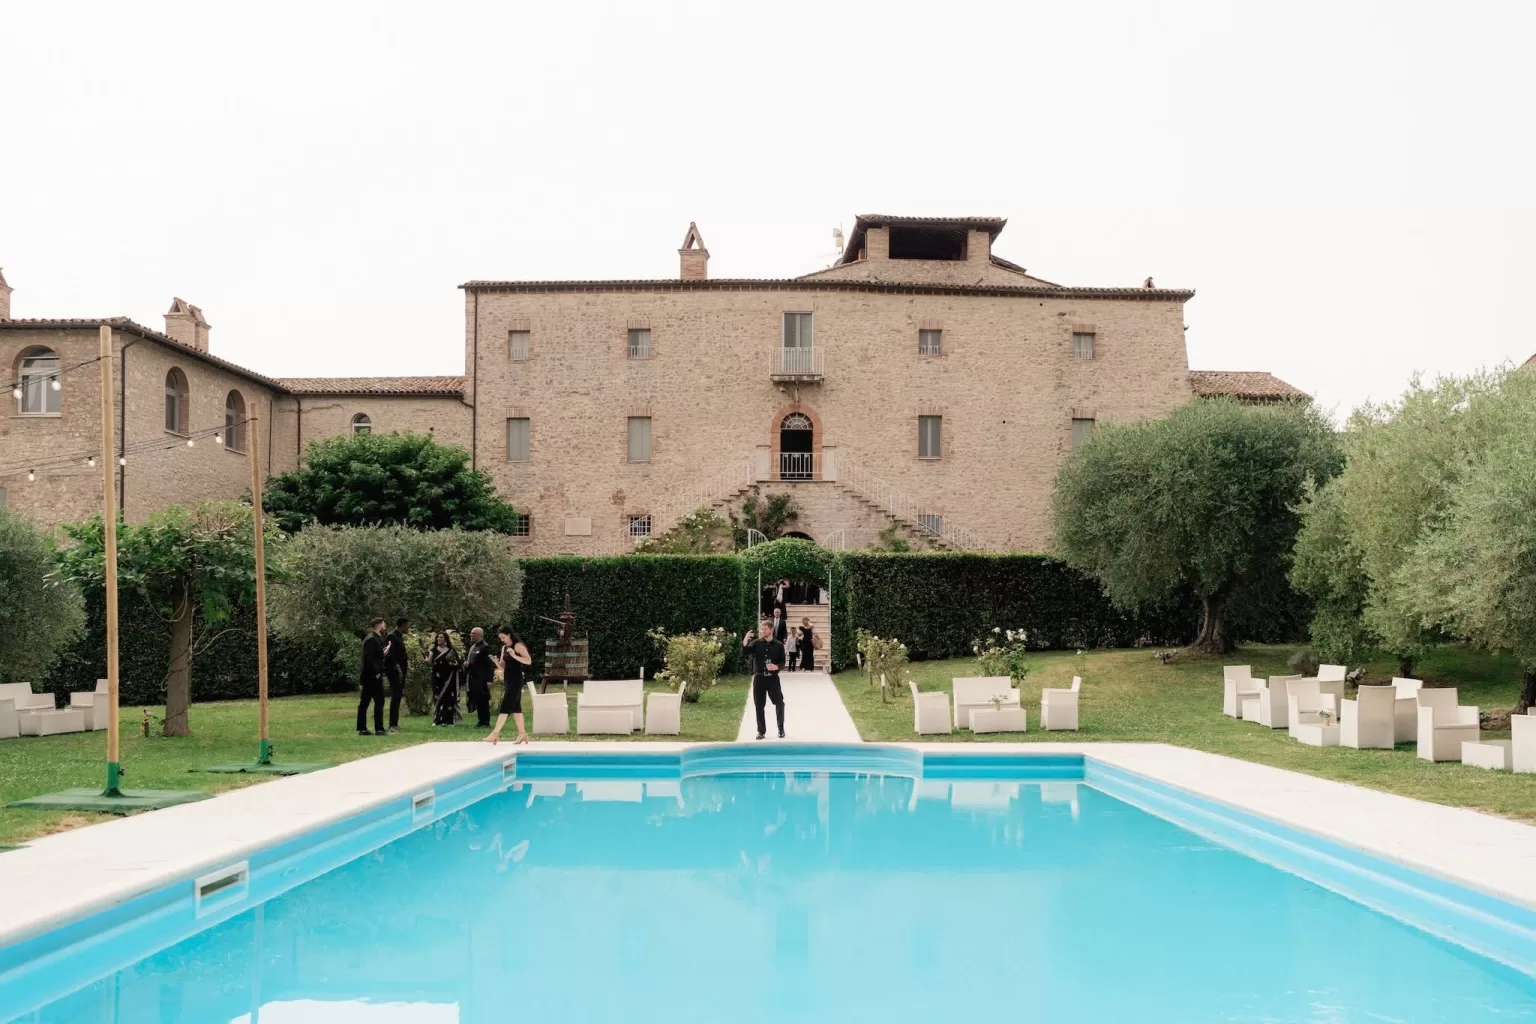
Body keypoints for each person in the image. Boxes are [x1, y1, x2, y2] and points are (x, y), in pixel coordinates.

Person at [485, 626, 532, 745]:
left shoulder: (518, 646)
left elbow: (528, 661)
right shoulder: (504, 648)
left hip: (516, 679)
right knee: (516, 707)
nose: (502, 640)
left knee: (506, 705)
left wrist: (514, 655)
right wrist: (496, 661)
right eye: (500, 638)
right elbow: (502, 667)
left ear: (509, 635)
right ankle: (522, 734)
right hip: (508, 678)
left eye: (503, 637)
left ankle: (495, 734)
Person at [742, 618, 786, 740]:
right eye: (761, 628)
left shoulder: (779, 645)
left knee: (780, 703)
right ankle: (761, 731)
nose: (762, 631)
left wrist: (776, 666)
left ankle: (781, 729)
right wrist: (746, 638)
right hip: (759, 679)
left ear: (771, 630)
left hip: (773, 679)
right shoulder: (756, 643)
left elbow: (783, 662)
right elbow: (745, 651)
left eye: (764, 629)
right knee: (759, 705)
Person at [356, 617, 388, 736]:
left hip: (371, 675)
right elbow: (369, 658)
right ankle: (378, 729)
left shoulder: (376, 638)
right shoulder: (371, 639)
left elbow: (375, 656)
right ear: (378, 625)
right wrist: (376, 672)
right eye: (383, 624)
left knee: (368, 701)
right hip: (371, 676)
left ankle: (363, 728)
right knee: (376, 701)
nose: (385, 626)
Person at [425, 631, 462, 727]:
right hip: (437, 679)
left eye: (441, 637)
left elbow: (457, 664)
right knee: (438, 698)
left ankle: (449, 721)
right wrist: (426, 660)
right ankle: (438, 720)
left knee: (449, 699)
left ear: (445, 639)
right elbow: (430, 664)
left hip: (449, 679)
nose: (438, 639)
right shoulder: (433, 650)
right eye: (437, 637)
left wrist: (452, 661)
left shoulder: (451, 650)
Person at [463, 627, 497, 728]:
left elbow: (489, 665)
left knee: (483, 699)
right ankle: (480, 721)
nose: (471, 635)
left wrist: (490, 680)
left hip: (481, 678)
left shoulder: (485, 647)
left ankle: (485, 722)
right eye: (471, 633)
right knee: (478, 699)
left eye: (473, 633)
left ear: (479, 635)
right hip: (473, 677)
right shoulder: (473, 647)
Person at [384, 616, 409, 732]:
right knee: (395, 696)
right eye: (407, 625)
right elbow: (390, 655)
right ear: (402, 625)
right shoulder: (392, 636)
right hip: (394, 671)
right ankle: (392, 724)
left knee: (398, 696)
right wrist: (398, 669)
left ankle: (395, 723)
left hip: (401, 671)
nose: (408, 627)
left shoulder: (399, 636)